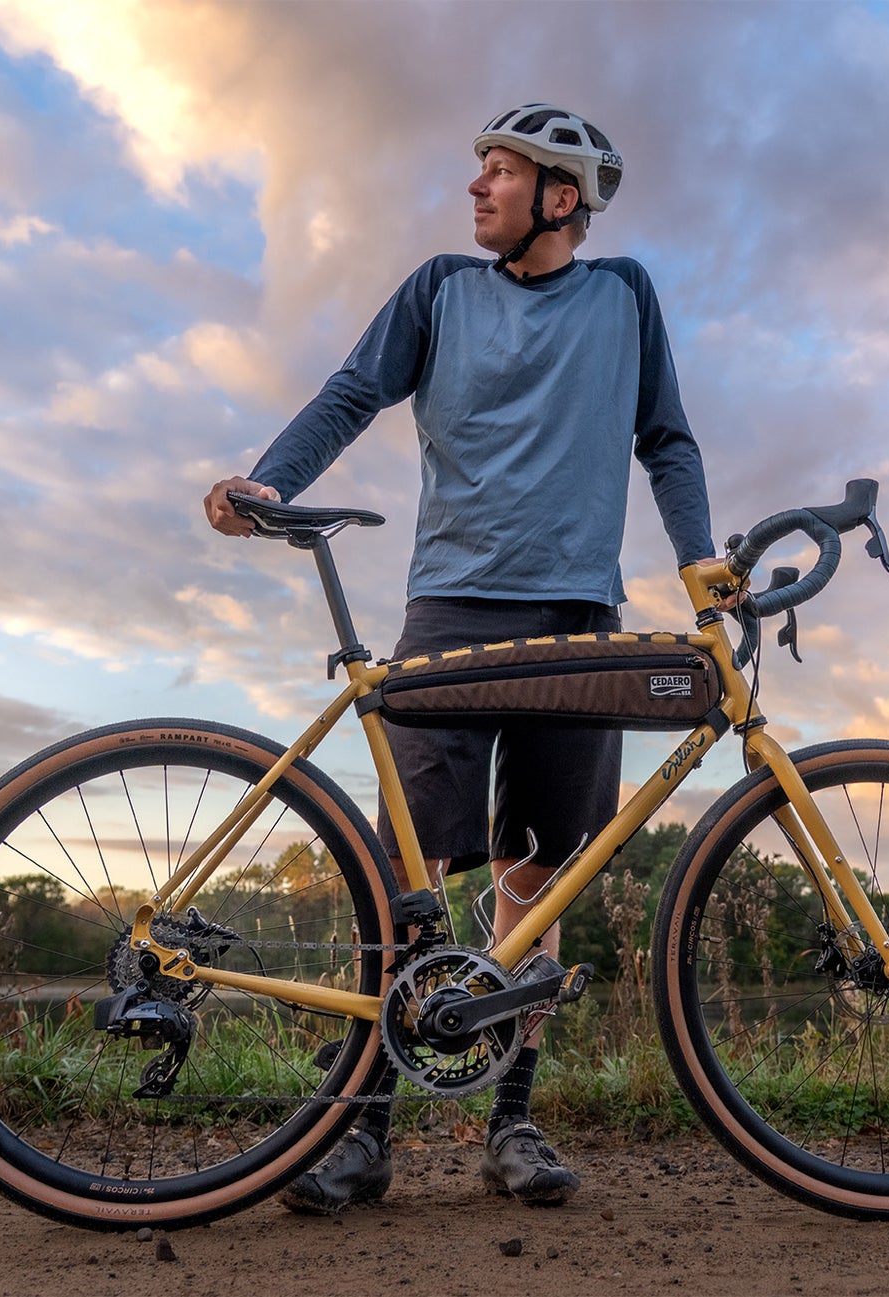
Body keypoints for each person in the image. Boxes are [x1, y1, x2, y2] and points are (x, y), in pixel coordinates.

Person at [203, 103, 717, 1213]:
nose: (476, 188)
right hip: (447, 608)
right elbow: (352, 391)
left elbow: (664, 439)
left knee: (539, 878)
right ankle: (362, 1131)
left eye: (500, 172)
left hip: (578, 618)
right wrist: (270, 481)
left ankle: (512, 1119)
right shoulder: (439, 287)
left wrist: (700, 563)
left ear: (561, 198)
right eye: (477, 170)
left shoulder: (623, 296)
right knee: (410, 873)